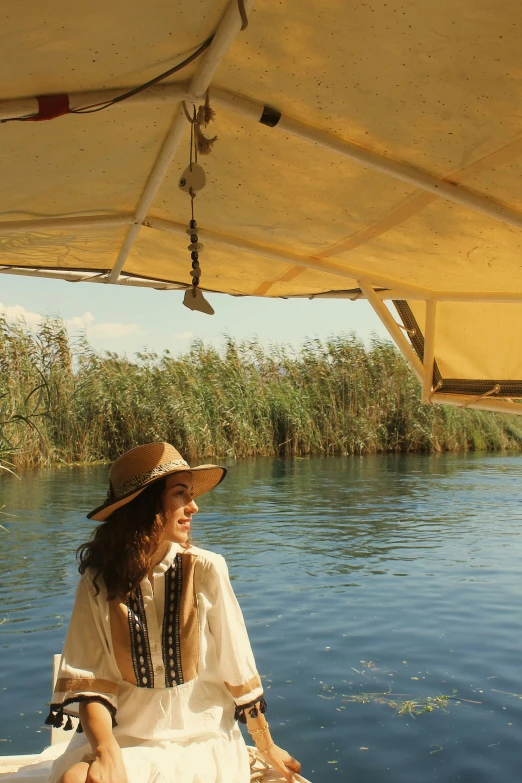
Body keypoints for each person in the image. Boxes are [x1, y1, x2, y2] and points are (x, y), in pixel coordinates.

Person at [45, 442, 301, 783]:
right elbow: (92, 682)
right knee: (74, 779)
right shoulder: (98, 581)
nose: (194, 507)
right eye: (181, 494)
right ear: (145, 503)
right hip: (123, 736)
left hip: (200, 738)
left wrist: (267, 748)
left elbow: (238, 667)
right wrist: (106, 751)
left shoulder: (207, 568)